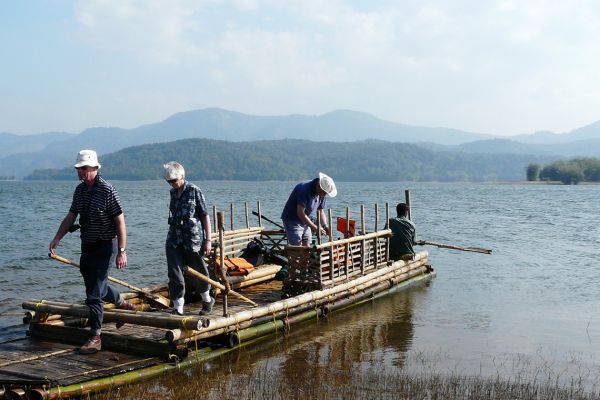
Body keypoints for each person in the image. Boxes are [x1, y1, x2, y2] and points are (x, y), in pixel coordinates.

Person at [49, 149, 136, 355]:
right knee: (97, 286)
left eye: (85, 168)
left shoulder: (107, 190)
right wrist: (57, 237)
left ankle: (95, 336)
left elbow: (120, 222)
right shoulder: (79, 191)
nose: (81, 172)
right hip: (87, 245)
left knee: (93, 294)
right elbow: (71, 216)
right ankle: (124, 304)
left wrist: (122, 251)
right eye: (79, 169)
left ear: (95, 169)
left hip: (107, 246)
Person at [163, 161, 214, 316]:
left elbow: (205, 216)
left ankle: (207, 299)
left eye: (173, 181)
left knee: (198, 271)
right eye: (169, 182)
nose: (172, 184)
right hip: (174, 238)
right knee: (175, 273)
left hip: (192, 239)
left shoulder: (194, 190)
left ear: (182, 177)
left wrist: (208, 240)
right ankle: (178, 307)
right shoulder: (173, 193)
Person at [280, 172, 337, 246]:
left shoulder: (322, 194)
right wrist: (314, 227)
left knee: (307, 246)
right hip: (293, 220)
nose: (325, 195)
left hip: (306, 221)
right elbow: (300, 213)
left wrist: (325, 226)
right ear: (319, 186)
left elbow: (320, 211)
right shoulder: (303, 189)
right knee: (297, 246)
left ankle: (305, 257)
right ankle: (295, 257)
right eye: (325, 192)